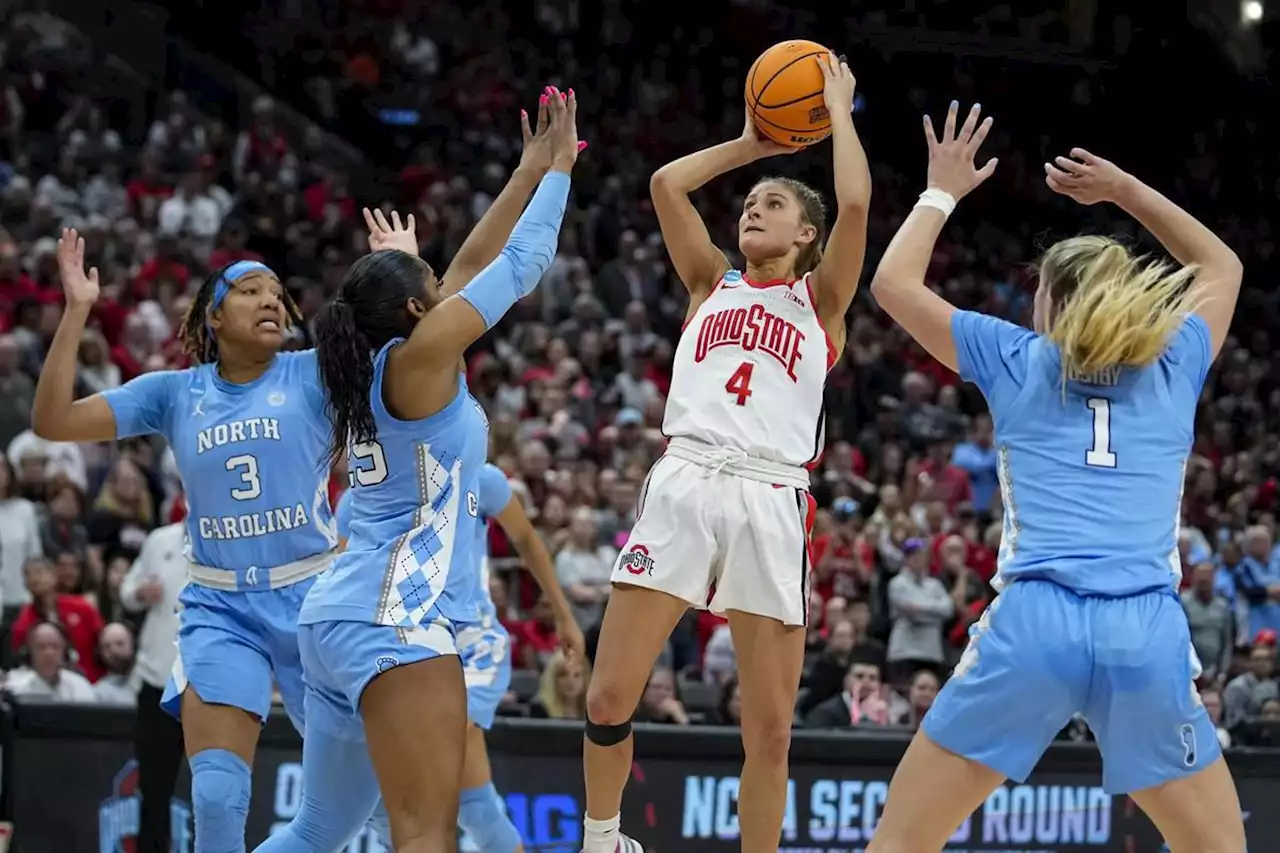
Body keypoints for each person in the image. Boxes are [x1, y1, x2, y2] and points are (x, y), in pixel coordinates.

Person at [864, 101, 1246, 852]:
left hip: (1036, 623)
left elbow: (894, 284)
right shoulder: (1176, 361)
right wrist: (1125, 192)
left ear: (1050, 301)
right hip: (1145, 628)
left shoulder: (1018, 358)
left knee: (901, 843)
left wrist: (940, 190)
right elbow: (1222, 264)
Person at [254, 85, 579, 853]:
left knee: (319, 828)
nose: (446, 287)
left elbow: (468, 263)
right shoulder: (424, 358)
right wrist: (563, 170)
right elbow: (522, 262)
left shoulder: (376, 361)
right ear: (412, 314)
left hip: (332, 620)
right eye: (429, 286)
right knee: (425, 832)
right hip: (392, 619)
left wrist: (524, 172)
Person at [582, 54, 871, 853]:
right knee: (608, 696)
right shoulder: (710, 282)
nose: (753, 206)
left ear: (805, 235)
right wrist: (752, 143)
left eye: (772, 202)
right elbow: (668, 186)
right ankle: (601, 839)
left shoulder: (824, 302)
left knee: (769, 730)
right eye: (748, 201)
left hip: (772, 495)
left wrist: (837, 112)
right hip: (685, 478)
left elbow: (854, 198)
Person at [34, 234, 339, 852]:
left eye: (278, 293)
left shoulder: (316, 373)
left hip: (316, 601)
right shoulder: (174, 393)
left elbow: (421, 348)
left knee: (356, 798)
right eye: (250, 291)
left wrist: (406, 268)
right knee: (217, 800)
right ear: (214, 316)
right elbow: (53, 421)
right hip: (223, 608)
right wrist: (76, 312)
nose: (271, 301)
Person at [335, 460, 585, 853]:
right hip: (406, 648)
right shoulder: (360, 497)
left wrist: (564, 614)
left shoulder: (478, 477)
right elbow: (341, 579)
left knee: (428, 771)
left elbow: (526, 538)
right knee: (476, 806)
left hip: (473, 645)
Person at [119, 518, 189, 853]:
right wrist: (137, 593)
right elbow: (127, 593)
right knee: (154, 788)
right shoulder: (160, 540)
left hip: (207, 684)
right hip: (157, 679)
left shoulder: (232, 544)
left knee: (213, 790)